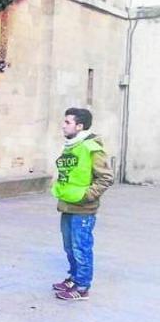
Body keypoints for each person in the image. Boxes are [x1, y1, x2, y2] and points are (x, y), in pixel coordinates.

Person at [51, 107, 113, 301]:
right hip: (67, 204)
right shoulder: (70, 146)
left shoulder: (92, 148)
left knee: (81, 247)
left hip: (83, 208)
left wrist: (88, 196)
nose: (63, 125)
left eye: (67, 122)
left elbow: (106, 178)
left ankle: (83, 286)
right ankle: (74, 277)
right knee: (69, 246)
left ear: (80, 126)